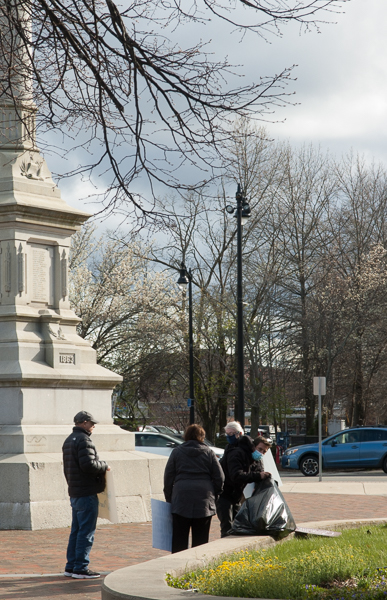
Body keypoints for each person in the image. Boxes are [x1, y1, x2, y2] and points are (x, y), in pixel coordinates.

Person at [62, 411, 110, 579]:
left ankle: (71, 565)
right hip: (86, 491)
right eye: (91, 423)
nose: (93, 426)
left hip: (75, 491)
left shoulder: (69, 440)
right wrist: (104, 465)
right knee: (86, 532)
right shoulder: (84, 440)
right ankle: (81, 567)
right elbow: (88, 465)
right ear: (83, 423)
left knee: (76, 530)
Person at [164, 423, 224, 553]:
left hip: (181, 495)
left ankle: (177, 563)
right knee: (201, 538)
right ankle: (197, 565)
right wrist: (215, 494)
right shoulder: (209, 452)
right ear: (202, 437)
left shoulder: (177, 452)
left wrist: (169, 497)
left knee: (179, 537)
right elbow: (219, 477)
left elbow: (168, 476)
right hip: (204, 496)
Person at [216, 426, 271, 537]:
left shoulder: (255, 459)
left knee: (237, 525)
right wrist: (258, 476)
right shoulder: (237, 453)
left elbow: (259, 471)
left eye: (264, 452)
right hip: (224, 492)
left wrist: (260, 479)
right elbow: (236, 475)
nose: (261, 453)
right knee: (227, 525)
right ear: (253, 447)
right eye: (260, 449)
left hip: (236, 494)